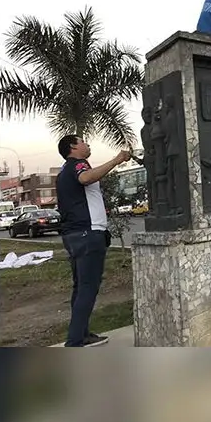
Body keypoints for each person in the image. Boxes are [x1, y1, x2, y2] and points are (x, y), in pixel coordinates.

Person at [55, 135, 131, 347]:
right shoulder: (79, 164)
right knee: (88, 288)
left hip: (74, 236)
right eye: (83, 142)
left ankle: (82, 334)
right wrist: (116, 160)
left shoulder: (63, 172)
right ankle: (75, 342)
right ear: (73, 147)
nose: (87, 145)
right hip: (88, 234)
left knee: (81, 287)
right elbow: (86, 178)